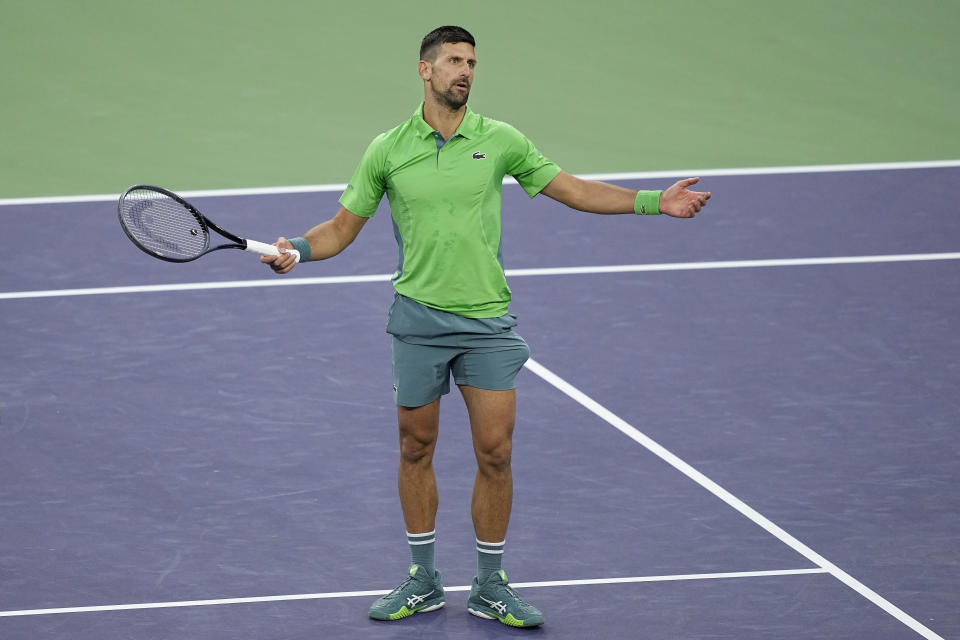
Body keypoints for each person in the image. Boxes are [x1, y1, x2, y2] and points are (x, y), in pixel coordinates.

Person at [263, 25, 710, 628]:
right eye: (452, 61)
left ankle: (491, 584)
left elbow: (571, 189)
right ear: (425, 71)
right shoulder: (387, 149)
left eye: (471, 61)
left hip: (487, 326)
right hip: (418, 321)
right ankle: (423, 577)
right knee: (415, 447)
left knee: (495, 453)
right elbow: (343, 228)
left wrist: (657, 201)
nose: (464, 71)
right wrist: (297, 247)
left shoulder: (499, 140)